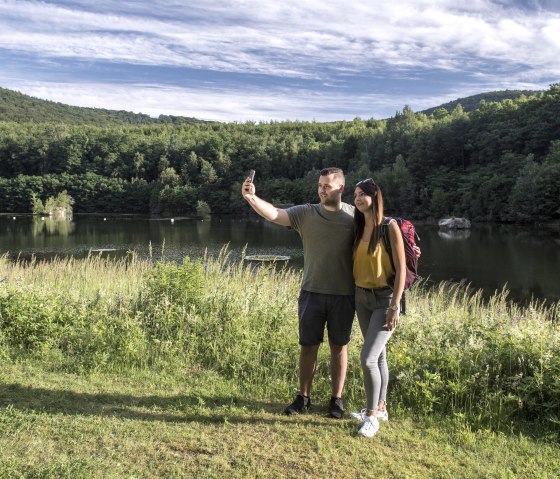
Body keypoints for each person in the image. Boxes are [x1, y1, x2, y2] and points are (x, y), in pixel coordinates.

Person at [241, 167, 355, 418]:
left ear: (341, 188)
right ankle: (303, 397)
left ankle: (336, 400)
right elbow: (275, 214)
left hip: (344, 294)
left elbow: (381, 233)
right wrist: (251, 198)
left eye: (327, 186)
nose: (322, 190)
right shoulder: (306, 213)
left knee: (339, 347)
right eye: (319, 185)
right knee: (308, 346)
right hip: (311, 292)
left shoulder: (355, 216)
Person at [350, 178, 406, 438]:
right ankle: (380, 407)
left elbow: (402, 268)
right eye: (355, 195)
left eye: (362, 194)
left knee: (368, 358)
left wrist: (395, 305)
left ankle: (371, 417)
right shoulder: (358, 225)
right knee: (379, 356)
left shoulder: (389, 226)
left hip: (385, 300)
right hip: (362, 298)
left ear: (375, 196)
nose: (358, 198)